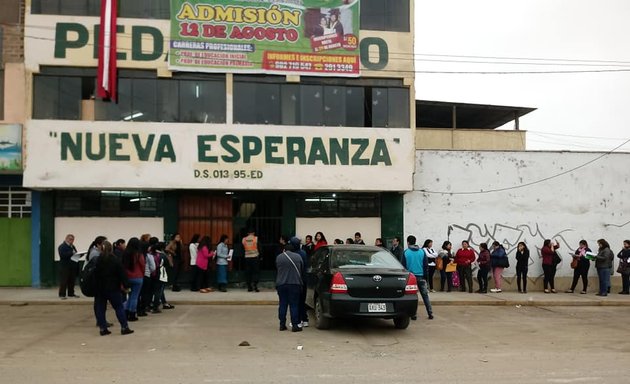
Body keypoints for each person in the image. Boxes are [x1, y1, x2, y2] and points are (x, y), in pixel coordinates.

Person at [94, 241, 133, 336]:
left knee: (101, 308)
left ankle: (103, 328)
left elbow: (94, 274)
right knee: (118, 307)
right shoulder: (115, 260)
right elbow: (122, 274)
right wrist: (126, 285)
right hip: (113, 287)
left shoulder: (98, 260)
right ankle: (124, 327)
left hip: (100, 288)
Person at [275, 238, 304, 332]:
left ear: (284, 249)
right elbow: (302, 269)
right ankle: (295, 325)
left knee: (283, 304)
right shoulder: (298, 257)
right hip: (295, 283)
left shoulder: (279, 257)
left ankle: (282, 324)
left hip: (281, 284)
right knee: (294, 305)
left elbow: (277, 269)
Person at [403, 235, 433, 320]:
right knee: (425, 295)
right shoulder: (422, 252)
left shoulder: (406, 252)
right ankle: (430, 313)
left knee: (413, 296)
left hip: (410, 277)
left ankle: (414, 314)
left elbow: (403, 266)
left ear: (408, 242)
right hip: (421, 276)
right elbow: (426, 265)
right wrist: (425, 277)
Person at [122, 237, 145, 321]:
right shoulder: (139, 254)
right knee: (134, 296)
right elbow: (143, 265)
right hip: (138, 277)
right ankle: (132, 314)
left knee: (129, 296)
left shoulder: (125, 253)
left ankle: (125, 311)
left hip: (127, 277)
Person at [57, 234, 79, 299]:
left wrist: (78, 255)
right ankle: (62, 294)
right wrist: (71, 253)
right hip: (64, 266)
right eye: (70, 239)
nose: (71, 241)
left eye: (72, 240)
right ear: (66, 239)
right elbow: (62, 255)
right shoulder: (62, 246)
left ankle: (71, 293)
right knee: (64, 281)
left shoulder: (72, 246)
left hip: (72, 265)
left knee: (72, 280)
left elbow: (75, 253)